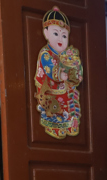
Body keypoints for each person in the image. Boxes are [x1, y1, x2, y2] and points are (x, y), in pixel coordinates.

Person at [34, 6, 82, 139]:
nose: (60, 38)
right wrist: (59, 74)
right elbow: (50, 68)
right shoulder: (46, 53)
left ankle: (71, 123)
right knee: (54, 108)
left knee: (70, 102)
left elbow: (74, 67)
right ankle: (55, 127)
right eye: (56, 33)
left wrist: (76, 75)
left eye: (64, 35)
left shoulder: (67, 55)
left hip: (63, 89)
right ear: (46, 33)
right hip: (49, 91)